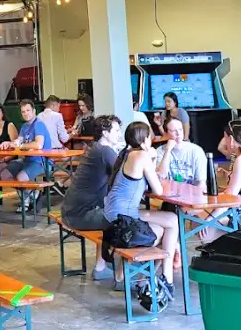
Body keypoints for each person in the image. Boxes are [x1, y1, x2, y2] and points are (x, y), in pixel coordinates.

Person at [104, 123, 179, 305]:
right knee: (165, 230)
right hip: (123, 219)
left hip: (115, 213)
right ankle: (164, 278)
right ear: (145, 139)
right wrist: (158, 154)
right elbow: (159, 190)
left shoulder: (127, 154)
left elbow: (155, 174)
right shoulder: (142, 156)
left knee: (171, 220)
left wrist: (153, 157)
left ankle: (150, 276)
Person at [60, 115, 122, 281]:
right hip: (79, 215)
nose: (119, 134)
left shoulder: (96, 148)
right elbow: (125, 176)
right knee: (123, 219)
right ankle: (117, 272)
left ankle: (103, 264)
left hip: (71, 210)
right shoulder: (104, 151)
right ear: (105, 133)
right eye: (116, 130)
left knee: (111, 213)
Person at [157, 116, 206, 188]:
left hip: (192, 195)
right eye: (173, 131)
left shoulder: (196, 151)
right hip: (169, 196)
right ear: (166, 134)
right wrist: (167, 151)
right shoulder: (160, 151)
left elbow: (201, 182)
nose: (178, 133)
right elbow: (161, 176)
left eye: (180, 129)